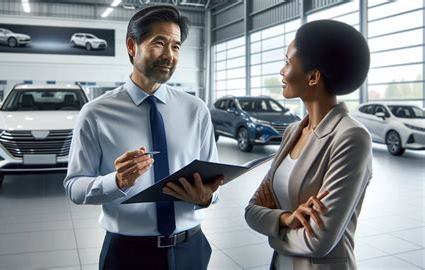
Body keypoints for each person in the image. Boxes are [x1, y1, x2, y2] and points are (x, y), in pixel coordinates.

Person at [64, 5, 223, 270]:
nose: (169, 55)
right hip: (127, 254)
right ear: (131, 45)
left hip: (191, 249)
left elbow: (214, 182)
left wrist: (206, 196)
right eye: (159, 43)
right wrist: (116, 181)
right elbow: (74, 187)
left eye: (176, 46)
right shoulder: (96, 113)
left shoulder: (196, 110)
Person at [244, 20, 372, 270]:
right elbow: (251, 210)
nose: (282, 71)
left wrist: (273, 232)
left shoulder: (351, 137)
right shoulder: (293, 131)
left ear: (313, 77)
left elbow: (318, 241)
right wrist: (285, 218)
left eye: (288, 62)